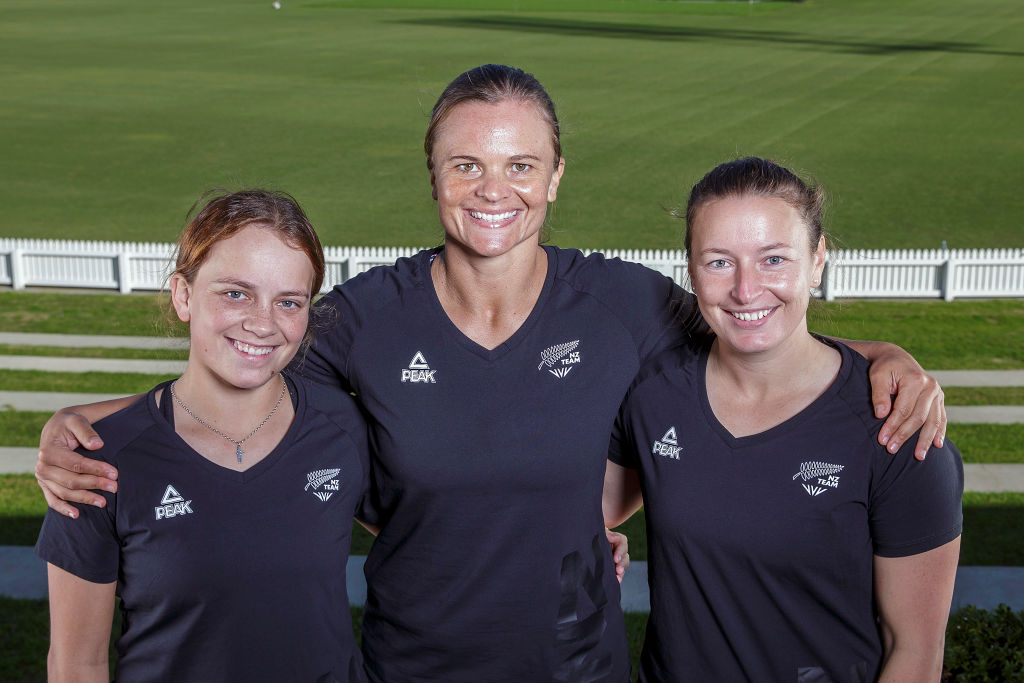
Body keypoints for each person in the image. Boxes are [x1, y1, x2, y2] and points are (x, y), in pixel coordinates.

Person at [35, 67, 946, 681]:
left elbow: (753, 329)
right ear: (432, 176)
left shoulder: (626, 303)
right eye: (465, 163)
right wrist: (82, 424)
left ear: (556, 177)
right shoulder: (366, 315)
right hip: (408, 666)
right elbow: (234, 368)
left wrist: (885, 359)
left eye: (520, 164)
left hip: (578, 667)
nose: (491, 188)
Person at [603, 158, 963, 681]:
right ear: (690, 269)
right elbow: (598, 505)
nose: (746, 290)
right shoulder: (655, 392)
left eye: (773, 259)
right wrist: (586, 536)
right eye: (719, 262)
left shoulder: (897, 428)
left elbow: (915, 653)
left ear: (818, 258)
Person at [35, 190, 371, 682]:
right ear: (184, 294)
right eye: (235, 293)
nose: (262, 323)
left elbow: (433, 538)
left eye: (289, 302)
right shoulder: (94, 463)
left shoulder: (342, 427)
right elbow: (75, 664)